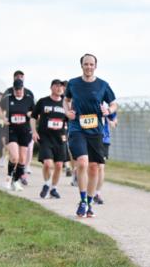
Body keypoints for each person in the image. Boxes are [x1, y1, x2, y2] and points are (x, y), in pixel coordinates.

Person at [64, 54, 117, 218]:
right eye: (86, 64)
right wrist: (67, 112)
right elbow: (66, 100)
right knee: (82, 162)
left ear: (95, 66)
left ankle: (90, 200)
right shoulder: (73, 83)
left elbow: (114, 103)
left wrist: (109, 111)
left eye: (91, 64)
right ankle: (82, 201)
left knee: (94, 168)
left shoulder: (102, 85)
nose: (88, 67)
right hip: (77, 128)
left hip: (95, 130)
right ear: (81, 66)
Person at [31, 79, 69, 199]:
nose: (59, 88)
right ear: (51, 87)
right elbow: (33, 117)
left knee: (58, 165)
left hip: (60, 138)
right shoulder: (43, 101)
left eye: (61, 87)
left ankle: (53, 188)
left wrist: (68, 132)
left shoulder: (66, 103)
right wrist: (34, 132)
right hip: (46, 137)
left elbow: (70, 120)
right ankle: (47, 184)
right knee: (48, 163)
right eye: (56, 86)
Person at [0, 78, 35, 191]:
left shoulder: (29, 100)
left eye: (20, 89)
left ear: (23, 88)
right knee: (15, 157)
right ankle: (8, 177)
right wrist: (3, 118)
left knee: (22, 160)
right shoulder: (8, 99)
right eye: (16, 89)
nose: (18, 91)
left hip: (24, 131)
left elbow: (35, 114)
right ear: (13, 89)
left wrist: (31, 114)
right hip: (11, 130)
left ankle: (15, 180)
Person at [92, 109, 116, 205]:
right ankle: (87, 193)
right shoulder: (86, 101)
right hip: (89, 137)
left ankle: (97, 194)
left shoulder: (106, 105)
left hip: (103, 139)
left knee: (101, 166)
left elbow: (114, 119)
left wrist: (112, 122)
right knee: (91, 166)